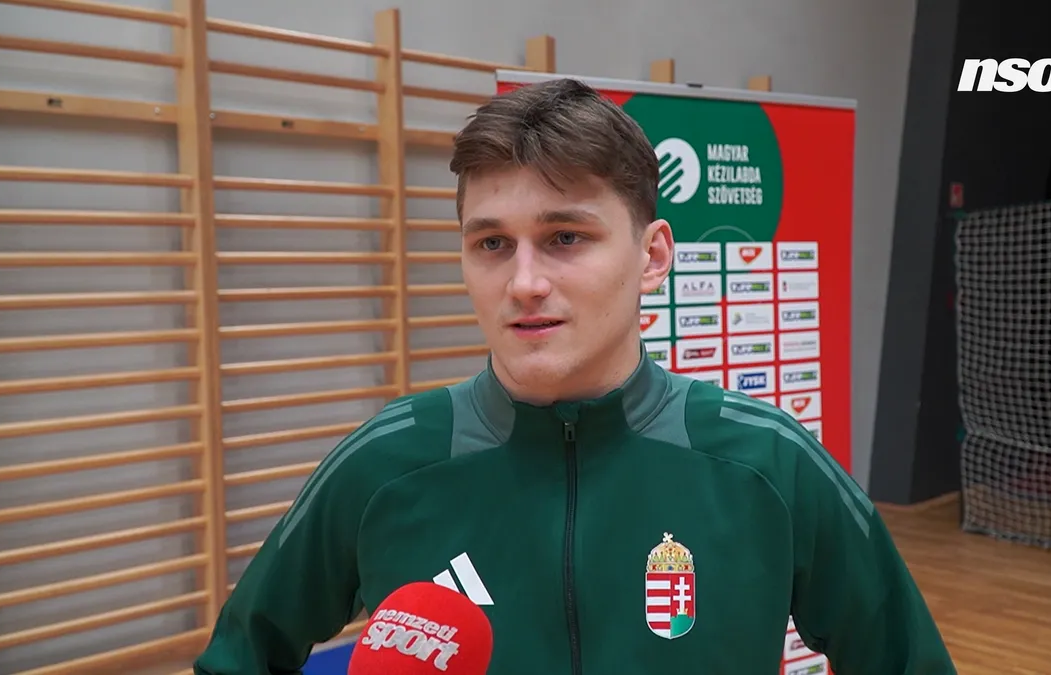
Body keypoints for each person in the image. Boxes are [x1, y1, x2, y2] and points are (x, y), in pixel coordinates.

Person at [193, 77, 956, 674]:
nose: (524, 282)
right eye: (492, 244)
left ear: (652, 255)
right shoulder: (386, 464)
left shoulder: (770, 462)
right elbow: (240, 656)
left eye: (564, 236)